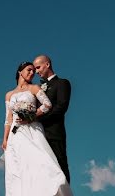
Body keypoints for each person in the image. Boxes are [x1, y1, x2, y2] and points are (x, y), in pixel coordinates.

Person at [3, 61, 73, 196]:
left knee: (40, 162)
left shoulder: (35, 88)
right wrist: (5, 139)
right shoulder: (9, 95)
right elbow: (8, 118)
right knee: (20, 168)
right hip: (15, 135)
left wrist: (31, 117)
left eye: (33, 71)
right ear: (20, 72)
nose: (32, 73)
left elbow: (47, 105)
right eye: (29, 70)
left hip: (32, 130)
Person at [33, 55, 72, 184]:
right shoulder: (37, 88)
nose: (36, 72)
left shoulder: (62, 83)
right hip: (38, 134)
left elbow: (61, 108)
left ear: (47, 65)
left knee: (59, 165)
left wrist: (38, 119)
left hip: (55, 132)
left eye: (38, 67)